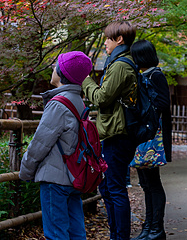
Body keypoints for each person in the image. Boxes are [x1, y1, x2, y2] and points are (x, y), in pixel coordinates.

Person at [19, 51, 93, 240]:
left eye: (55, 66)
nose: (53, 69)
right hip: (74, 175)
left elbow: (40, 143)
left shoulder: (58, 104)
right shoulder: (79, 101)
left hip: (55, 179)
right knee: (77, 233)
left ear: (62, 73)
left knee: (56, 234)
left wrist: (25, 171)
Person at [82, 21, 137, 240]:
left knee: (114, 189)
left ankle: (120, 237)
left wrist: (85, 80)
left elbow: (102, 98)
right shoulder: (121, 62)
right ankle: (116, 234)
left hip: (117, 134)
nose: (105, 42)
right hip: (115, 132)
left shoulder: (121, 65)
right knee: (108, 188)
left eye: (107, 38)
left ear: (119, 39)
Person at [130, 39, 172, 240]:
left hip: (152, 136)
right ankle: (148, 227)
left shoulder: (155, 75)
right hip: (143, 135)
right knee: (146, 184)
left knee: (153, 183)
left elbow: (163, 103)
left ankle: (157, 228)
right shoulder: (143, 75)